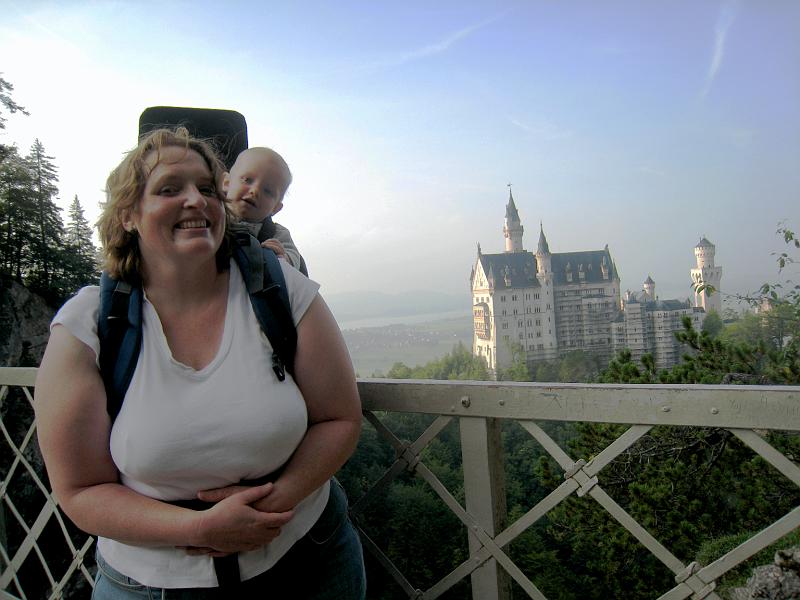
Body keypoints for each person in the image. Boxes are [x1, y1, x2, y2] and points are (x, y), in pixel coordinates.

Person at [34, 128, 366, 598]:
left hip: (309, 557)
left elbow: (339, 418)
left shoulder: (279, 288)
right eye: (170, 188)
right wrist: (200, 529)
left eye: (207, 188)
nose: (195, 199)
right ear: (128, 214)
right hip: (152, 584)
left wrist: (273, 502)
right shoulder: (88, 327)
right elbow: (79, 491)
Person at [224, 146, 308, 275]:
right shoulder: (210, 216)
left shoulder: (276, 233)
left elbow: (295, 260)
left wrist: (283, 257)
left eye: (268, 191)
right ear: (226, 183)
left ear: (276, 208)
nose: (255, 191)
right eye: (248, 180)